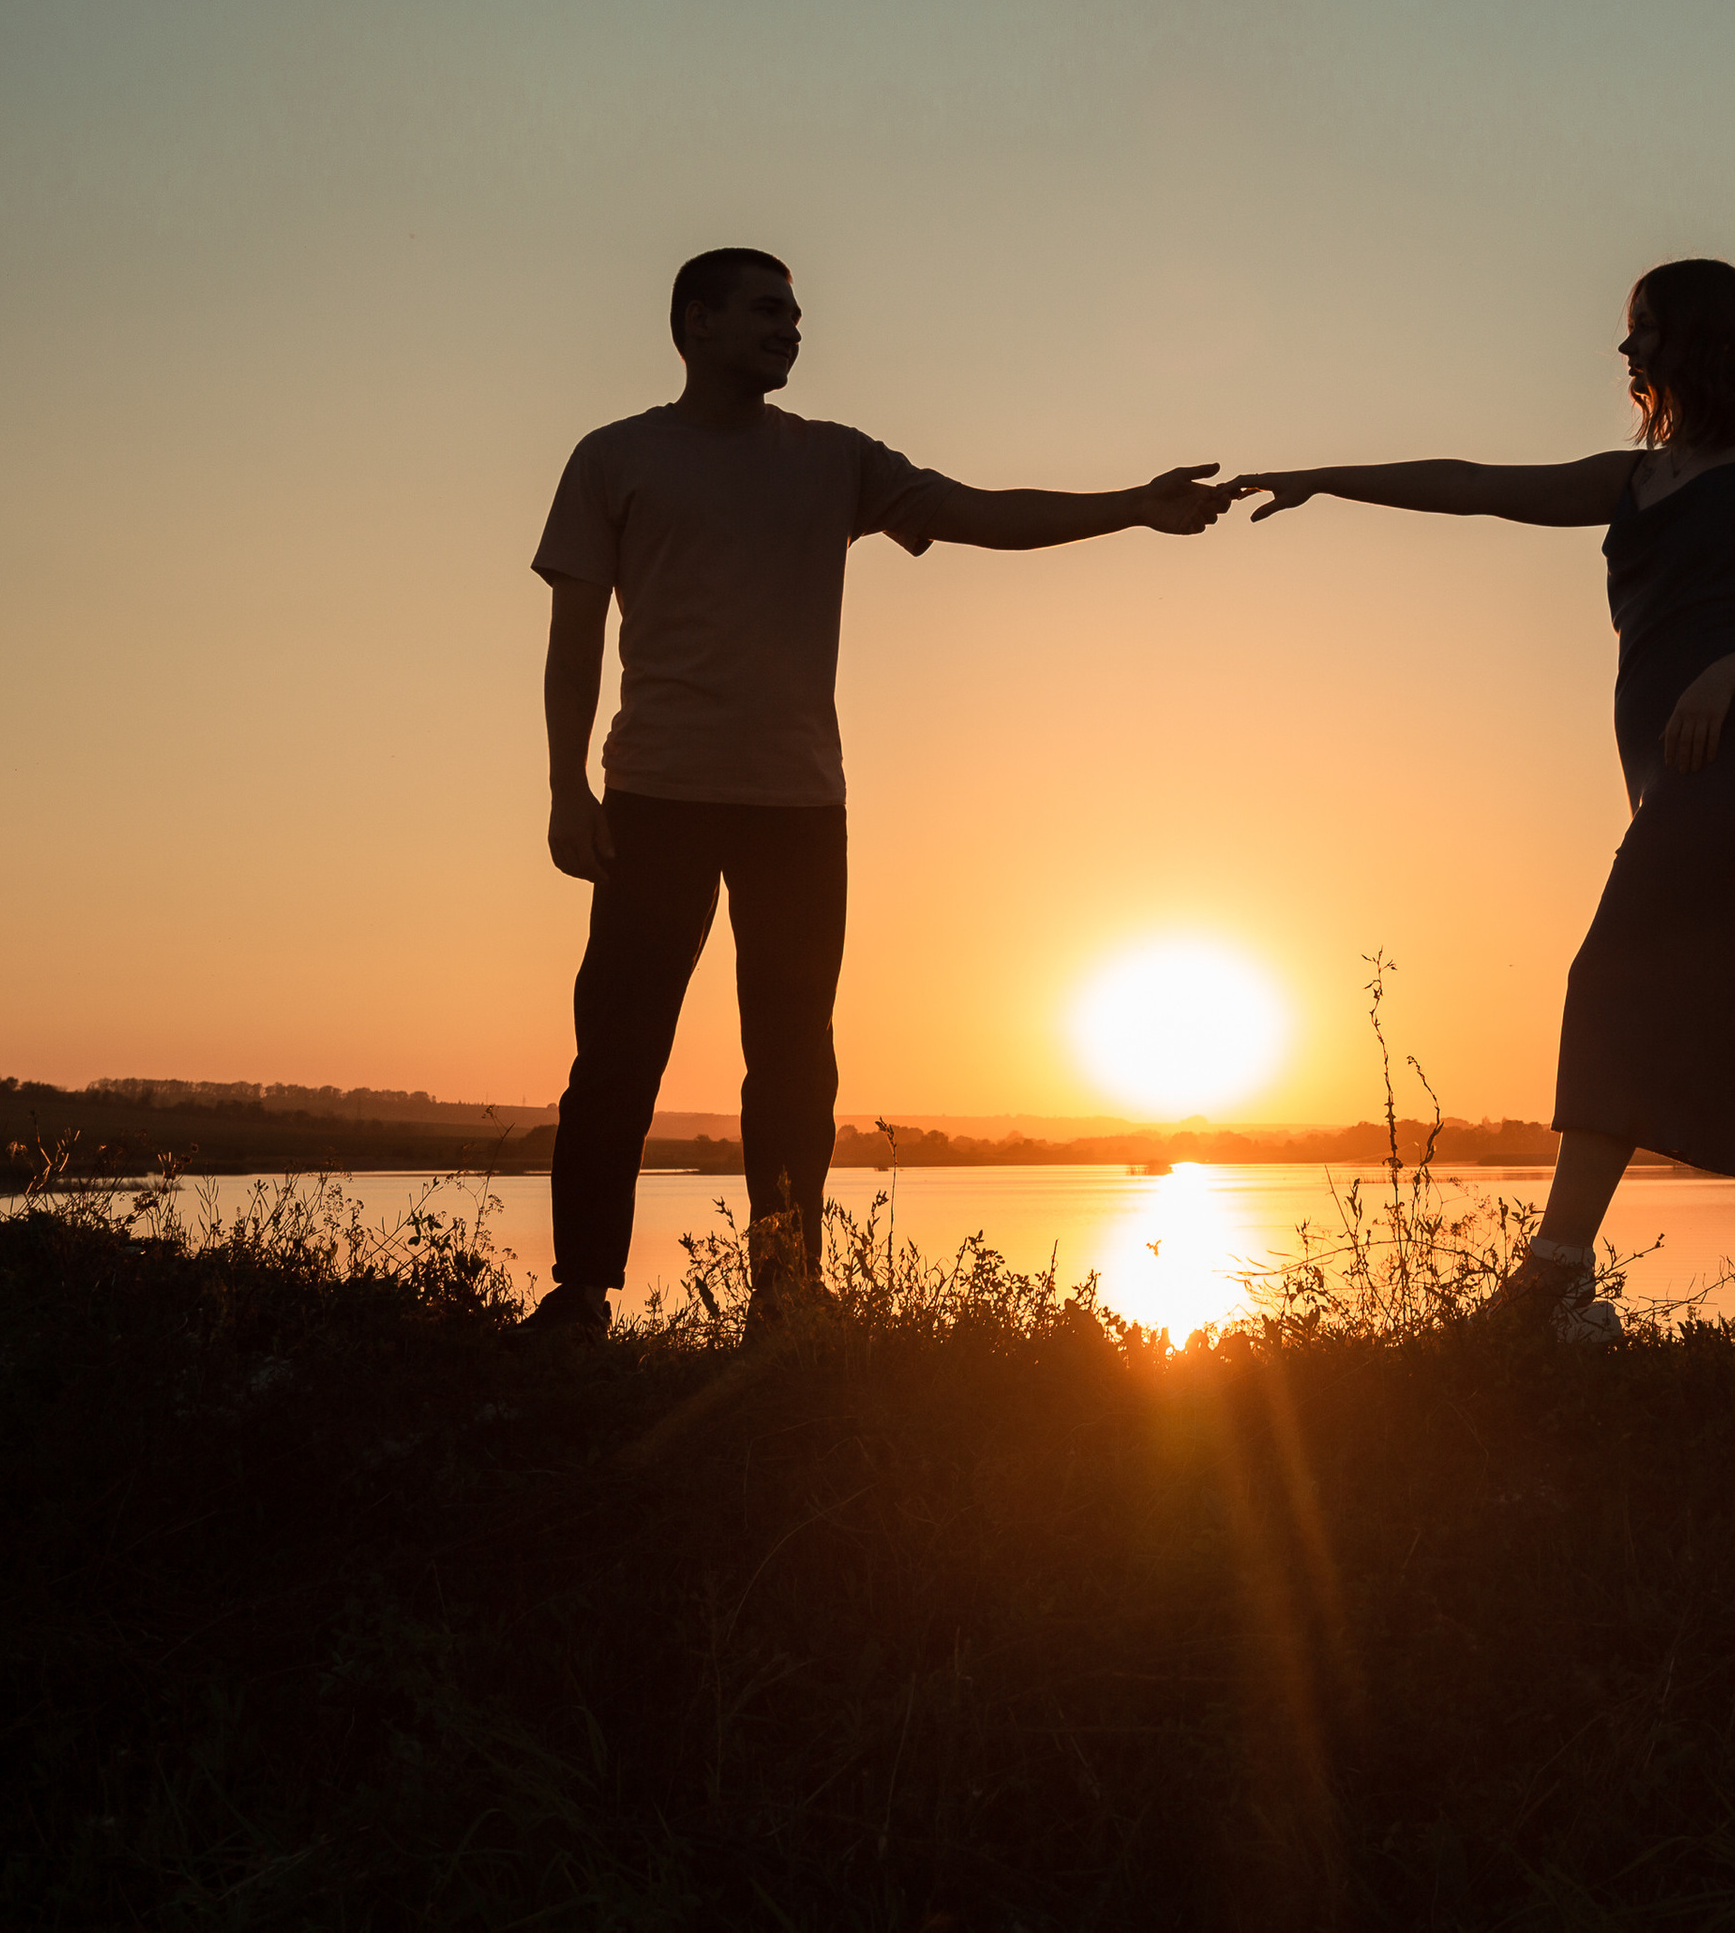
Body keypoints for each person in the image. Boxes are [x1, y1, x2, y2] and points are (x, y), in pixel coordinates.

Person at [519, 247, 1226, 1339]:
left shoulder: (835, 461)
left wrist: (1134, 504)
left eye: (796, 315)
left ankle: (787, 1293)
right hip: (655, 792)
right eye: (766, 310)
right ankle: (579, 1292)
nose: (791, 328)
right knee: (617, 1049)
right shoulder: (614, 458)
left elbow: (984, 511)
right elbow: (571, 638)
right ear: (695, 323)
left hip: (801, 804)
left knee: (795, 1059)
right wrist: (567, 789)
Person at [1228, 257, 1735, 1336]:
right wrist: (1324, 477)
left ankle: (1554, 1274)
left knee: (1606, 978)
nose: (1628, 350)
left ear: (1698, 337)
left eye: (1645, 330)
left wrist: (1723, 672)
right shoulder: (1632, 481)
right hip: (1666, 780)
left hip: (1734, 774)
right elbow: (1472, 481)